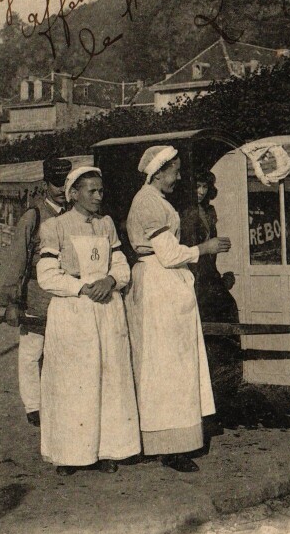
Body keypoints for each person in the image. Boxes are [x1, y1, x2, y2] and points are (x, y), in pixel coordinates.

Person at [126, 146, 231, 472]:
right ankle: (167, 445)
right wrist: (206, 247)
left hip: (167, 286)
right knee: (165, 367)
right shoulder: (147, 203)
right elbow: (169, 255)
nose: (180, 177)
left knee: (175, 364)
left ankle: (177, 439)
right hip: (159, 285)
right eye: (175, 171)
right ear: (158, 173)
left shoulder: (157, 201)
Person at [37, 167, 140, 476]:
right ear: (74, 194)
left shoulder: (106, 225)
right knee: (75, 382)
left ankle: (107, 449)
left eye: (101, 191)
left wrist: (110, 280)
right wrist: (81, 287)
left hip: (107, 309)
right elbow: (46, 275)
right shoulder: (55, 226)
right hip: (74, 312)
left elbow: (121, 265)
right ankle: (70, 454)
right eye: (91, 191)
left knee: (109, 379)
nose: (98, 196)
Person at [0, 156, 72, 427]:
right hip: (38, 295)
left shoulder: (75, 213)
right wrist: (11, 300)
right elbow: (17, 258)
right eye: (57, 184)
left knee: (62, 351)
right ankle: (33, 405)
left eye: (66, 183)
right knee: (32, 352)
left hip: (66, 294)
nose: (62, 190)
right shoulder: (34, 215)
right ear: (45, 183)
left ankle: (58, 400)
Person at [180, 170, 241, 427]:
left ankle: (222, 395)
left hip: (209, 277)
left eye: (205, 187)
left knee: (225, 325)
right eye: (197, 187)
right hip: (194, 279)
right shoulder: (186, 215)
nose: (201, 192)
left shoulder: (208, 211)